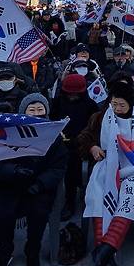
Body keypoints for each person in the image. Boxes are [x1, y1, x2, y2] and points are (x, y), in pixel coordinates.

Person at [78, 82, 134, 266]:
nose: (117, 108)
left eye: (122, 105)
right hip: (107, 166)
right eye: (114, 104)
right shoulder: (100, 116)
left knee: (131, 195)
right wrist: (92, 147)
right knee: (99, 197)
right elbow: (83, 136)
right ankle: (106, 254)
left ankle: (104, 250)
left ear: (130, 104)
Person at [0, 93, 67, 266]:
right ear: (23, 112)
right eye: (32, 110)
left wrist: (40, 183)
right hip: (10, 184)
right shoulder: (9, 132)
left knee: (39, 213)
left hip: (38, 187)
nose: (36, 113)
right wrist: (13, 171)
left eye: (40, 110)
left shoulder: (54, 137)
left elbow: (58, 167)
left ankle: (32, 251)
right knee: (2, 213)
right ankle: (5, 250)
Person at [50, 74, 98, 220]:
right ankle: (68, 200)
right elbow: (52, 121)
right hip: (61, 141)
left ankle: (78, 198)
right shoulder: (58, 102)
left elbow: (93, 127)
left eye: (75, 94)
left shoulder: (90, 105)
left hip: (82, 143)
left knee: (74, 164)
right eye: (69, 94)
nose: (72, 97)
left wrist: (81, 140)